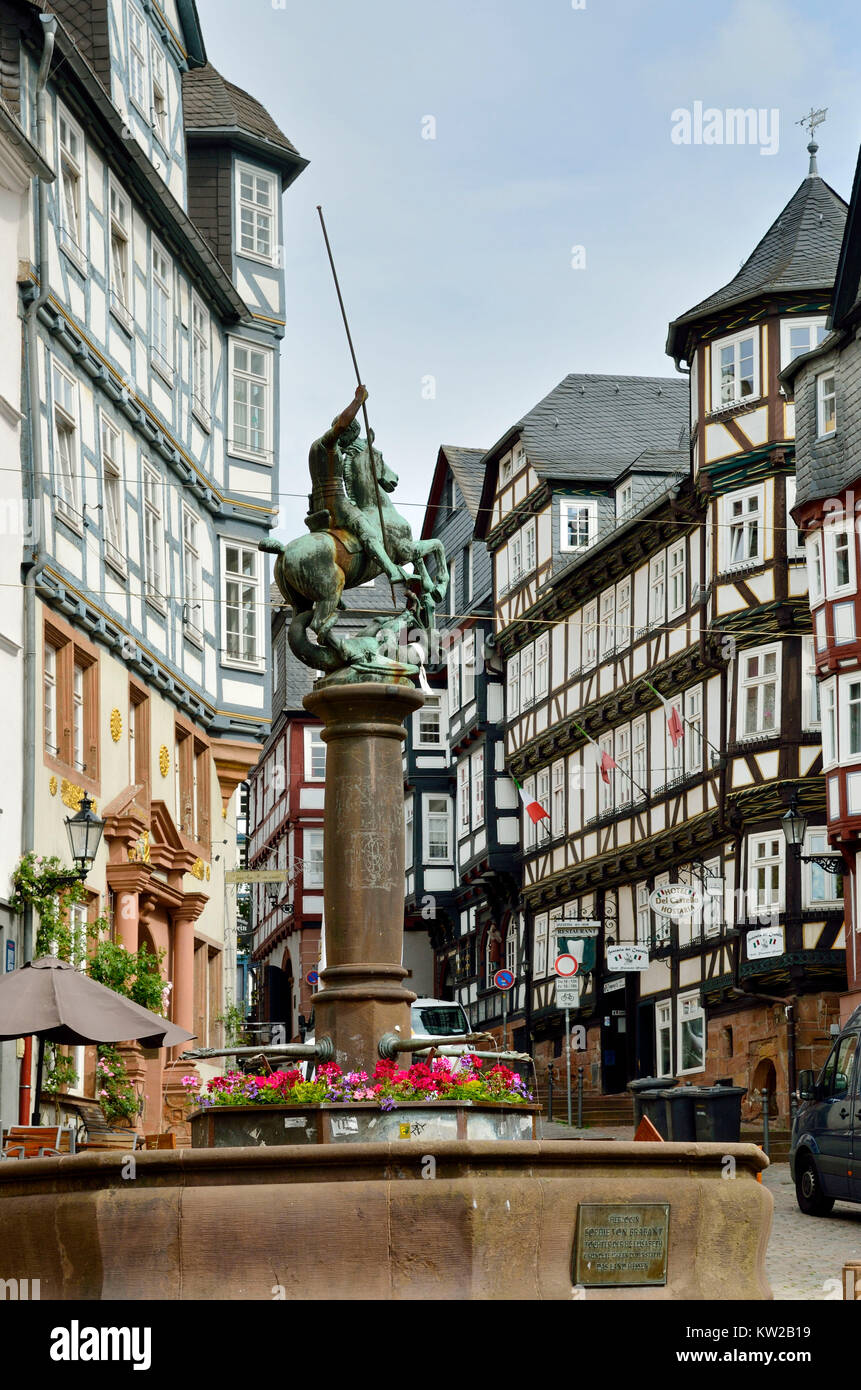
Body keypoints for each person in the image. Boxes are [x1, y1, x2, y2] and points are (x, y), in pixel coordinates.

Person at [305, 385, 407, 585]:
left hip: (316, 506)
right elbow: (342, 425)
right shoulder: (327, 444)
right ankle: (391, 570)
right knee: (367, 530)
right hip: (336, 502)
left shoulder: (318, 449)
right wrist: (358, 400)